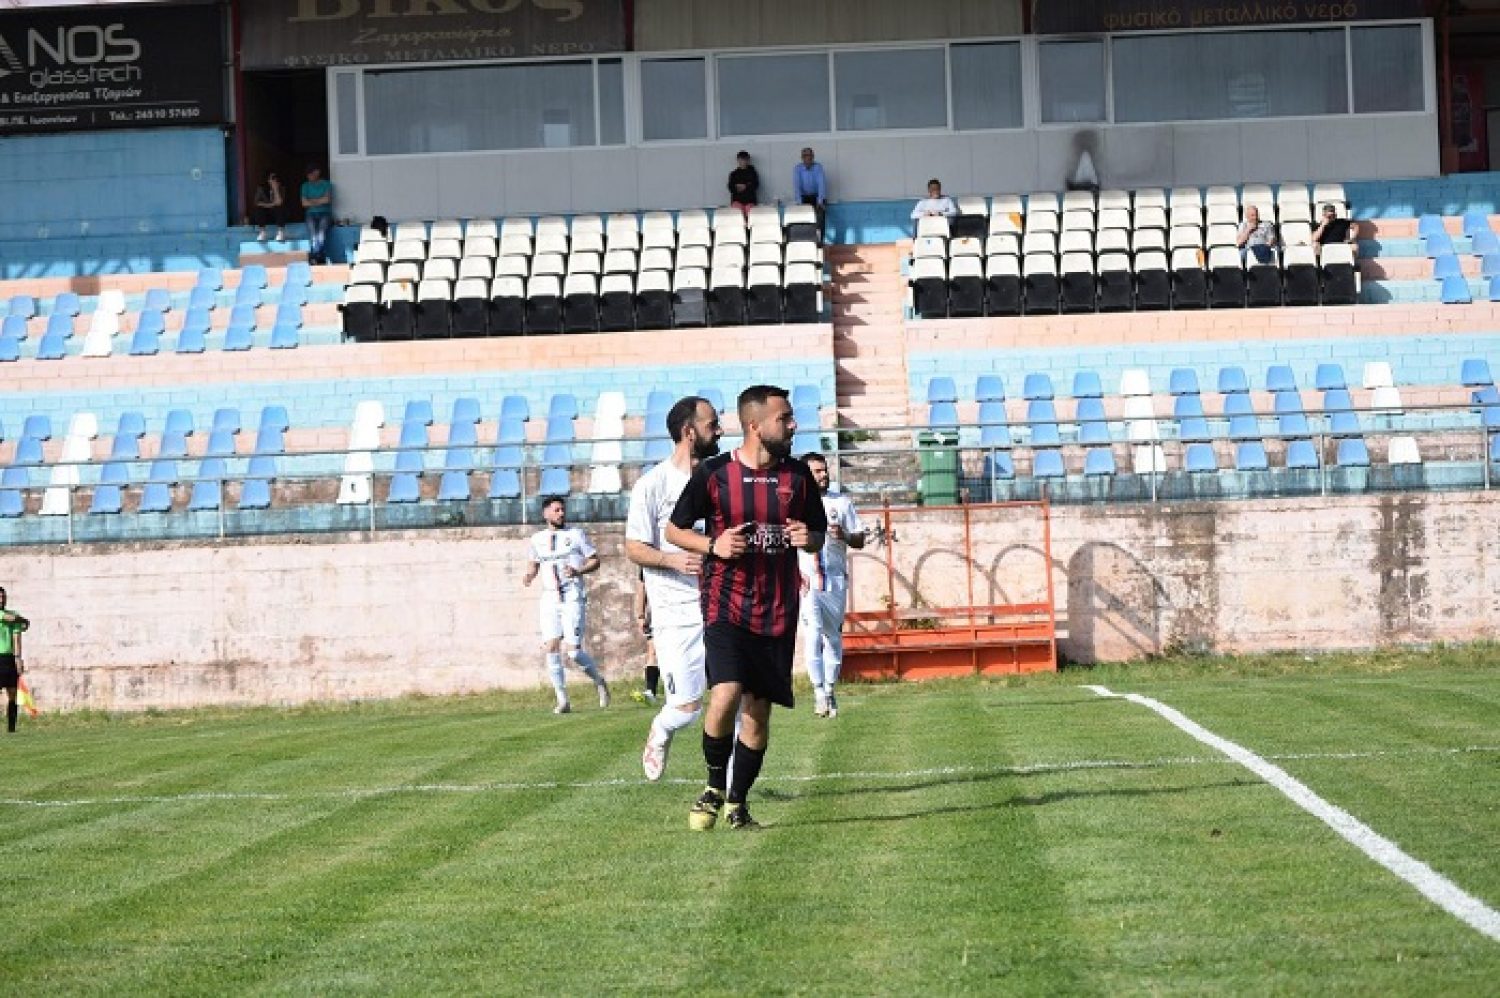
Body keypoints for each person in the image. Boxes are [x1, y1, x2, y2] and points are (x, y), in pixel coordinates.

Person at [667, 385, 827, 831]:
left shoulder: (798, 476)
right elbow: (675, 530)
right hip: (725, 603)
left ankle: (737, 804)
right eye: (784, 419)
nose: (793, 425)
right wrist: (712, 544)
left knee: (758, 712)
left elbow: (817, 533)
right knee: (726, 692)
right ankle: (713, 785)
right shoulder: (715, 473)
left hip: (777, 610)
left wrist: (808, 539)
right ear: (755, 425)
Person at [625, 395, 723, 781]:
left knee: (733, 697)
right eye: (712, 424)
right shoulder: (653, 485)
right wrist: (671, 559)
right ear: (689, 431)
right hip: (675, 610)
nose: (719, 431)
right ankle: (662, 729)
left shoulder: (722, 479)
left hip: (722, 604)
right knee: (687, 710)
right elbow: (634, 547)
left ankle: (729, 789)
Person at [522, 496, 610, 714]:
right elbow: (533, 563)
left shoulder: (575, 534)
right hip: (549, 598)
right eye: (556, 510)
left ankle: (599, 681)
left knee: (573, 653)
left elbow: (595, 560)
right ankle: (562, 700)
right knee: (551, 647)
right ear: (546, 514)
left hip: (572, 597)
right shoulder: (537, 539)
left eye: (562, 510)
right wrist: (529, 575)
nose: (561, 513)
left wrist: (579, 570)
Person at [797, 452, 865, 718]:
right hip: (807, 580)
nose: (823, 475)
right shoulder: (795, 504)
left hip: (835, 580)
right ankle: (818, 692)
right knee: (813, 632)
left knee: (833, 637)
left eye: (824, 470)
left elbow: (859, 539)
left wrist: (844, 535)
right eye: (817, 471)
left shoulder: (841, 502)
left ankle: (829, 689)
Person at [0, 586, 30, 734]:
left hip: (8, 658)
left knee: (13, 693)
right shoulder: (9, 616)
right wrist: (24, 620)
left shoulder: (13, 614)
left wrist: (18, 658)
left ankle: (11, 728)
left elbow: (16, 638)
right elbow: (11, 619)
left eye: (3, 597)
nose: (1, 600)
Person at [630, 570, 661, 707]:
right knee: (653, 651)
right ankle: (650, 691)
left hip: (685, 611)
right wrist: (640, 615)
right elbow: (642, 585)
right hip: (658, 612)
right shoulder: (648, 562)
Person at [300, 163, 334, 265]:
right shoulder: (305, 185)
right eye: (308, 174)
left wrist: (311, 201)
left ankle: (315, 256)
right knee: (314, 236)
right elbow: (304, 203)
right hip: (310, 214)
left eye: (311, 174)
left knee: (321, 235)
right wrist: (320, 200)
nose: (309, 176)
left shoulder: (326, 184)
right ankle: (319, 257)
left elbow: (327, 200)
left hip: (325, 213)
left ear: (317, 172)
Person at [793, 147, 828, 243]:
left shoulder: (818, 167)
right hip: (804, 197)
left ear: (813, 157)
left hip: (817, 196)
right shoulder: (797, 169)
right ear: (802, 158)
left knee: (820, 219)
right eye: (805, 156)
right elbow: (797, 186)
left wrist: (820, 201)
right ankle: (807, 241)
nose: (808, 158)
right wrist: (799, 203)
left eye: (810, 155)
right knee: (804, 221)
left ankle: (820, 242)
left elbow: (821, 184)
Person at [252, 170, 286, 243]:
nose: (274, 180)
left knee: (280, 208)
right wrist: (271, 205)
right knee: (259, 210)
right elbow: (257, 202)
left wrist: (275, 189)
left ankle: (280, 232)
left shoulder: (281, 188)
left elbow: (279, 202)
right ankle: (262, 233)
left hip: (277, 214)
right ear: (267, 179)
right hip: (266, 214)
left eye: (275, 178)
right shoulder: (261, 188)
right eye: (272, 178)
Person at [727, 151, 760, 220]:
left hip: (750, 201)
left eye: (745, 160)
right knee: (737, 213)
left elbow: (755, 185)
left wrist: (745, 187)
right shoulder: (734, 174)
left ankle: (748, 225)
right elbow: (730, 187)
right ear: (738, 160)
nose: (743, 162)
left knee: (750, 213)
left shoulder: (753, 173)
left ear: (748, 160)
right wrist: (737, 187)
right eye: (741, 160)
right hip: (737, 200)